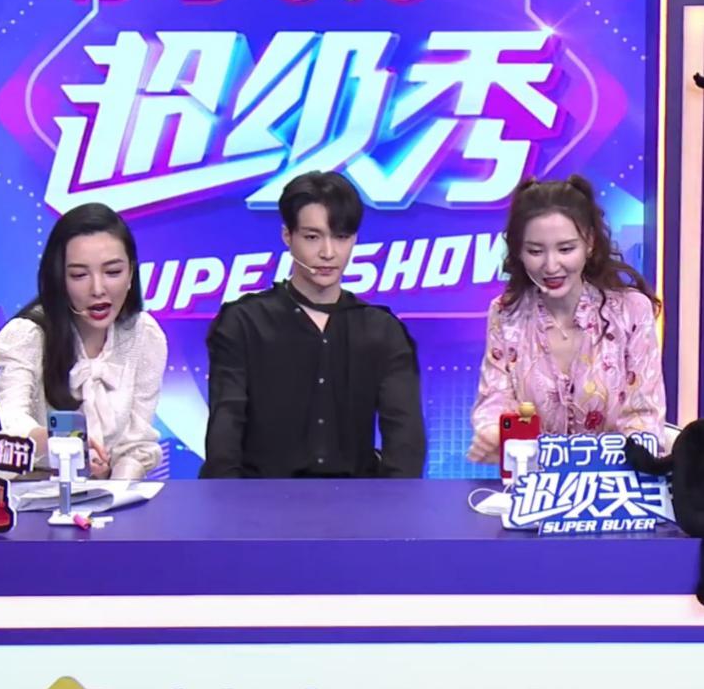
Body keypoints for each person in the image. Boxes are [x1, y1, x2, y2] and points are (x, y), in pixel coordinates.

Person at [201, 170, 426, 478]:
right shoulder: (243, 322)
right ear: (287, 236)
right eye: (312, 237)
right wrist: (231, 502)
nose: (328, 253)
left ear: (354, 240)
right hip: (260, 499)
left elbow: (405, 441)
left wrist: (393, 503)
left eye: (341, 237)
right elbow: (224, 435)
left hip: (356, 501)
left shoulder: (383, 330)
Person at [468, 175, 665, 461]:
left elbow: (644, 418)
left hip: (615, 479)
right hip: (534, 479)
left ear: (590, 244)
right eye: (535, 251)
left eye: (566, 249)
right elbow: (495, 400)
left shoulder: (631, 311)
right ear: (518, 251)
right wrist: (492, 432)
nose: (551, 266)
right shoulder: (506, 313)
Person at [0, 203, 167, 479]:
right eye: (79, 275)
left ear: (131, 273)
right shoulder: (28, 335)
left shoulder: (144, 335)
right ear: (59, 279)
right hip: (33, 492)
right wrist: (60, 443)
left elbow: (136, 446)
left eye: (113, 272)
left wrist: (116, 490)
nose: (98, 289)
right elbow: (8, 425)